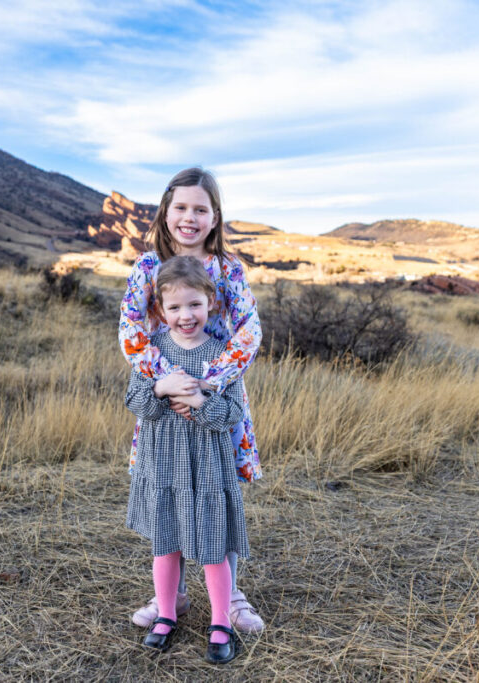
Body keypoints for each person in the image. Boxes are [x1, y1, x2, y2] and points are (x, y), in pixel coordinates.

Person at [118, 167, 264, 633]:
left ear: (215, 216)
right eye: (181, 207)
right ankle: (173, 595)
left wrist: (209, 383)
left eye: (201, 209)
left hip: (217, 396)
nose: (189, 217)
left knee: (218, 490)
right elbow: (131, 330)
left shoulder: (229, 270)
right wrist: (168, 381)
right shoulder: (147, 269)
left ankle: (231, 595)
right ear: (166, 211)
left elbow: (249, 330)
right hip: (165, 400)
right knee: (171, 489)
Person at [125, 255, 250, 663]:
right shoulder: (152, 352)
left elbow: (231, 412)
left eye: (194, 304)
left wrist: (199, 401)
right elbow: (135, 401)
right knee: (166, 544)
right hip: (163, 463)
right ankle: (165, 614)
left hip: (207, 466)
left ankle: (220, 621)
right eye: (175, 307)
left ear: (211, 302)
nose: (185, 315)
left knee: (213, 546)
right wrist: (160, 388)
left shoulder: (221, 354)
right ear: (160, 309)